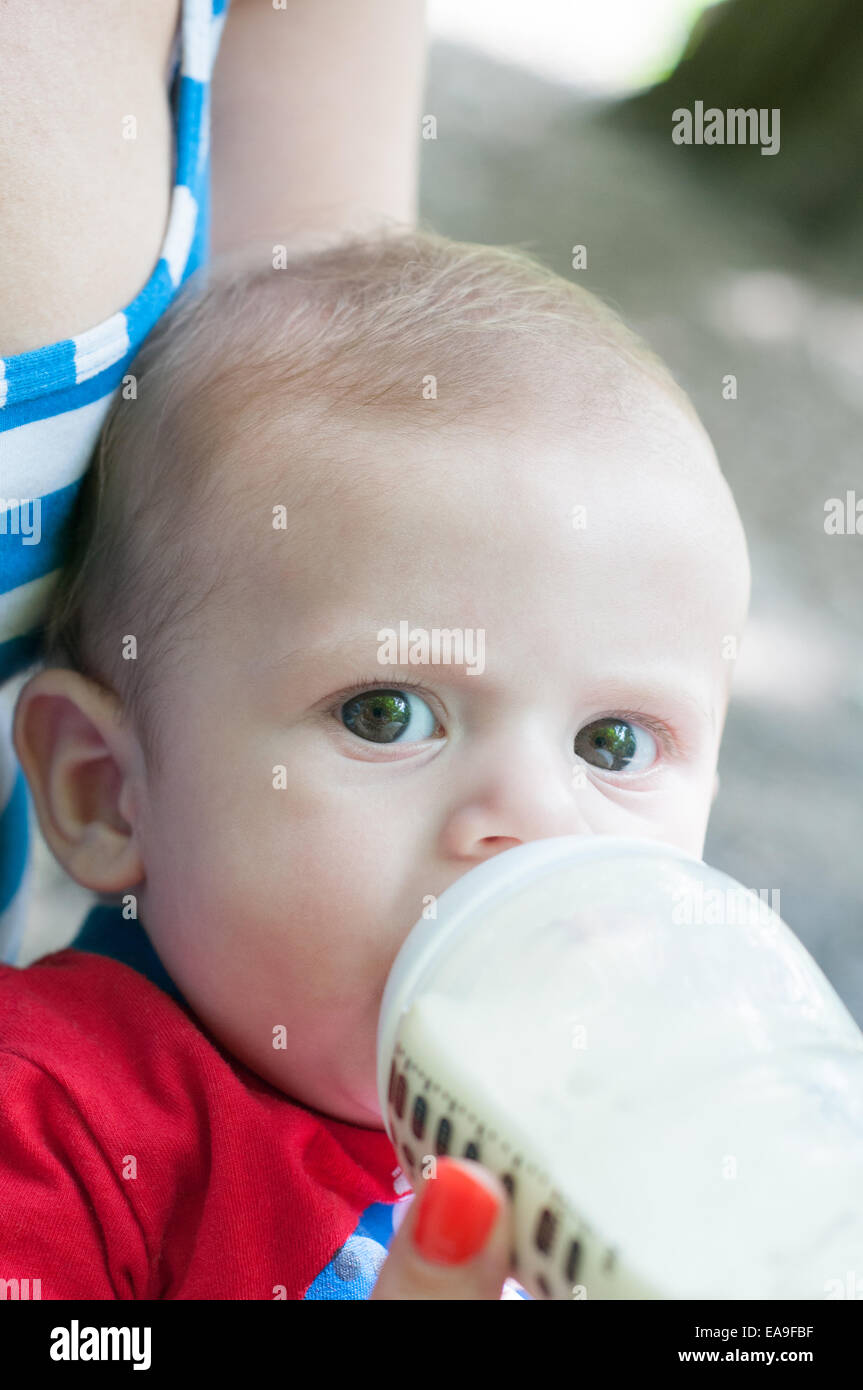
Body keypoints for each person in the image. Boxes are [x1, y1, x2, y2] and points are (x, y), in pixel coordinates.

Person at [2, 225, 750, 1299]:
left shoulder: (649, 1145)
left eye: (612, 744)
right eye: (387, 712)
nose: (534, 820)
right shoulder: (56, 1128)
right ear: (105, 789)